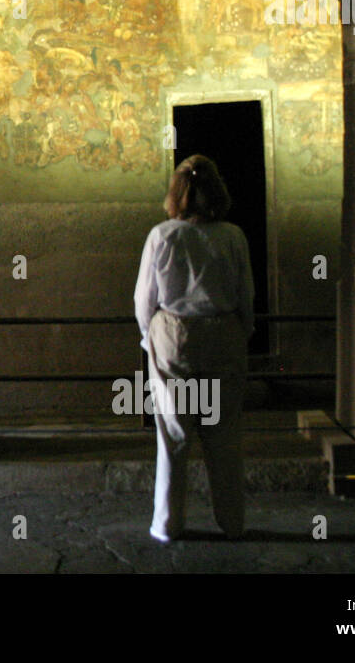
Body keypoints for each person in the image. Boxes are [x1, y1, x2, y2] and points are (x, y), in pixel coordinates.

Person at [133, 154, 254, 543]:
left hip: (174, 336)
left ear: (176, 192)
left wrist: (147, 335)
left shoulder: (162, 235)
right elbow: (245, 294)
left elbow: (144, 299)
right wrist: (242, 332)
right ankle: (232, 522)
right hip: (223, 335)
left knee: (173, 435)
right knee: (224, 437)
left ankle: (167, 524)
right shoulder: (232, 236)